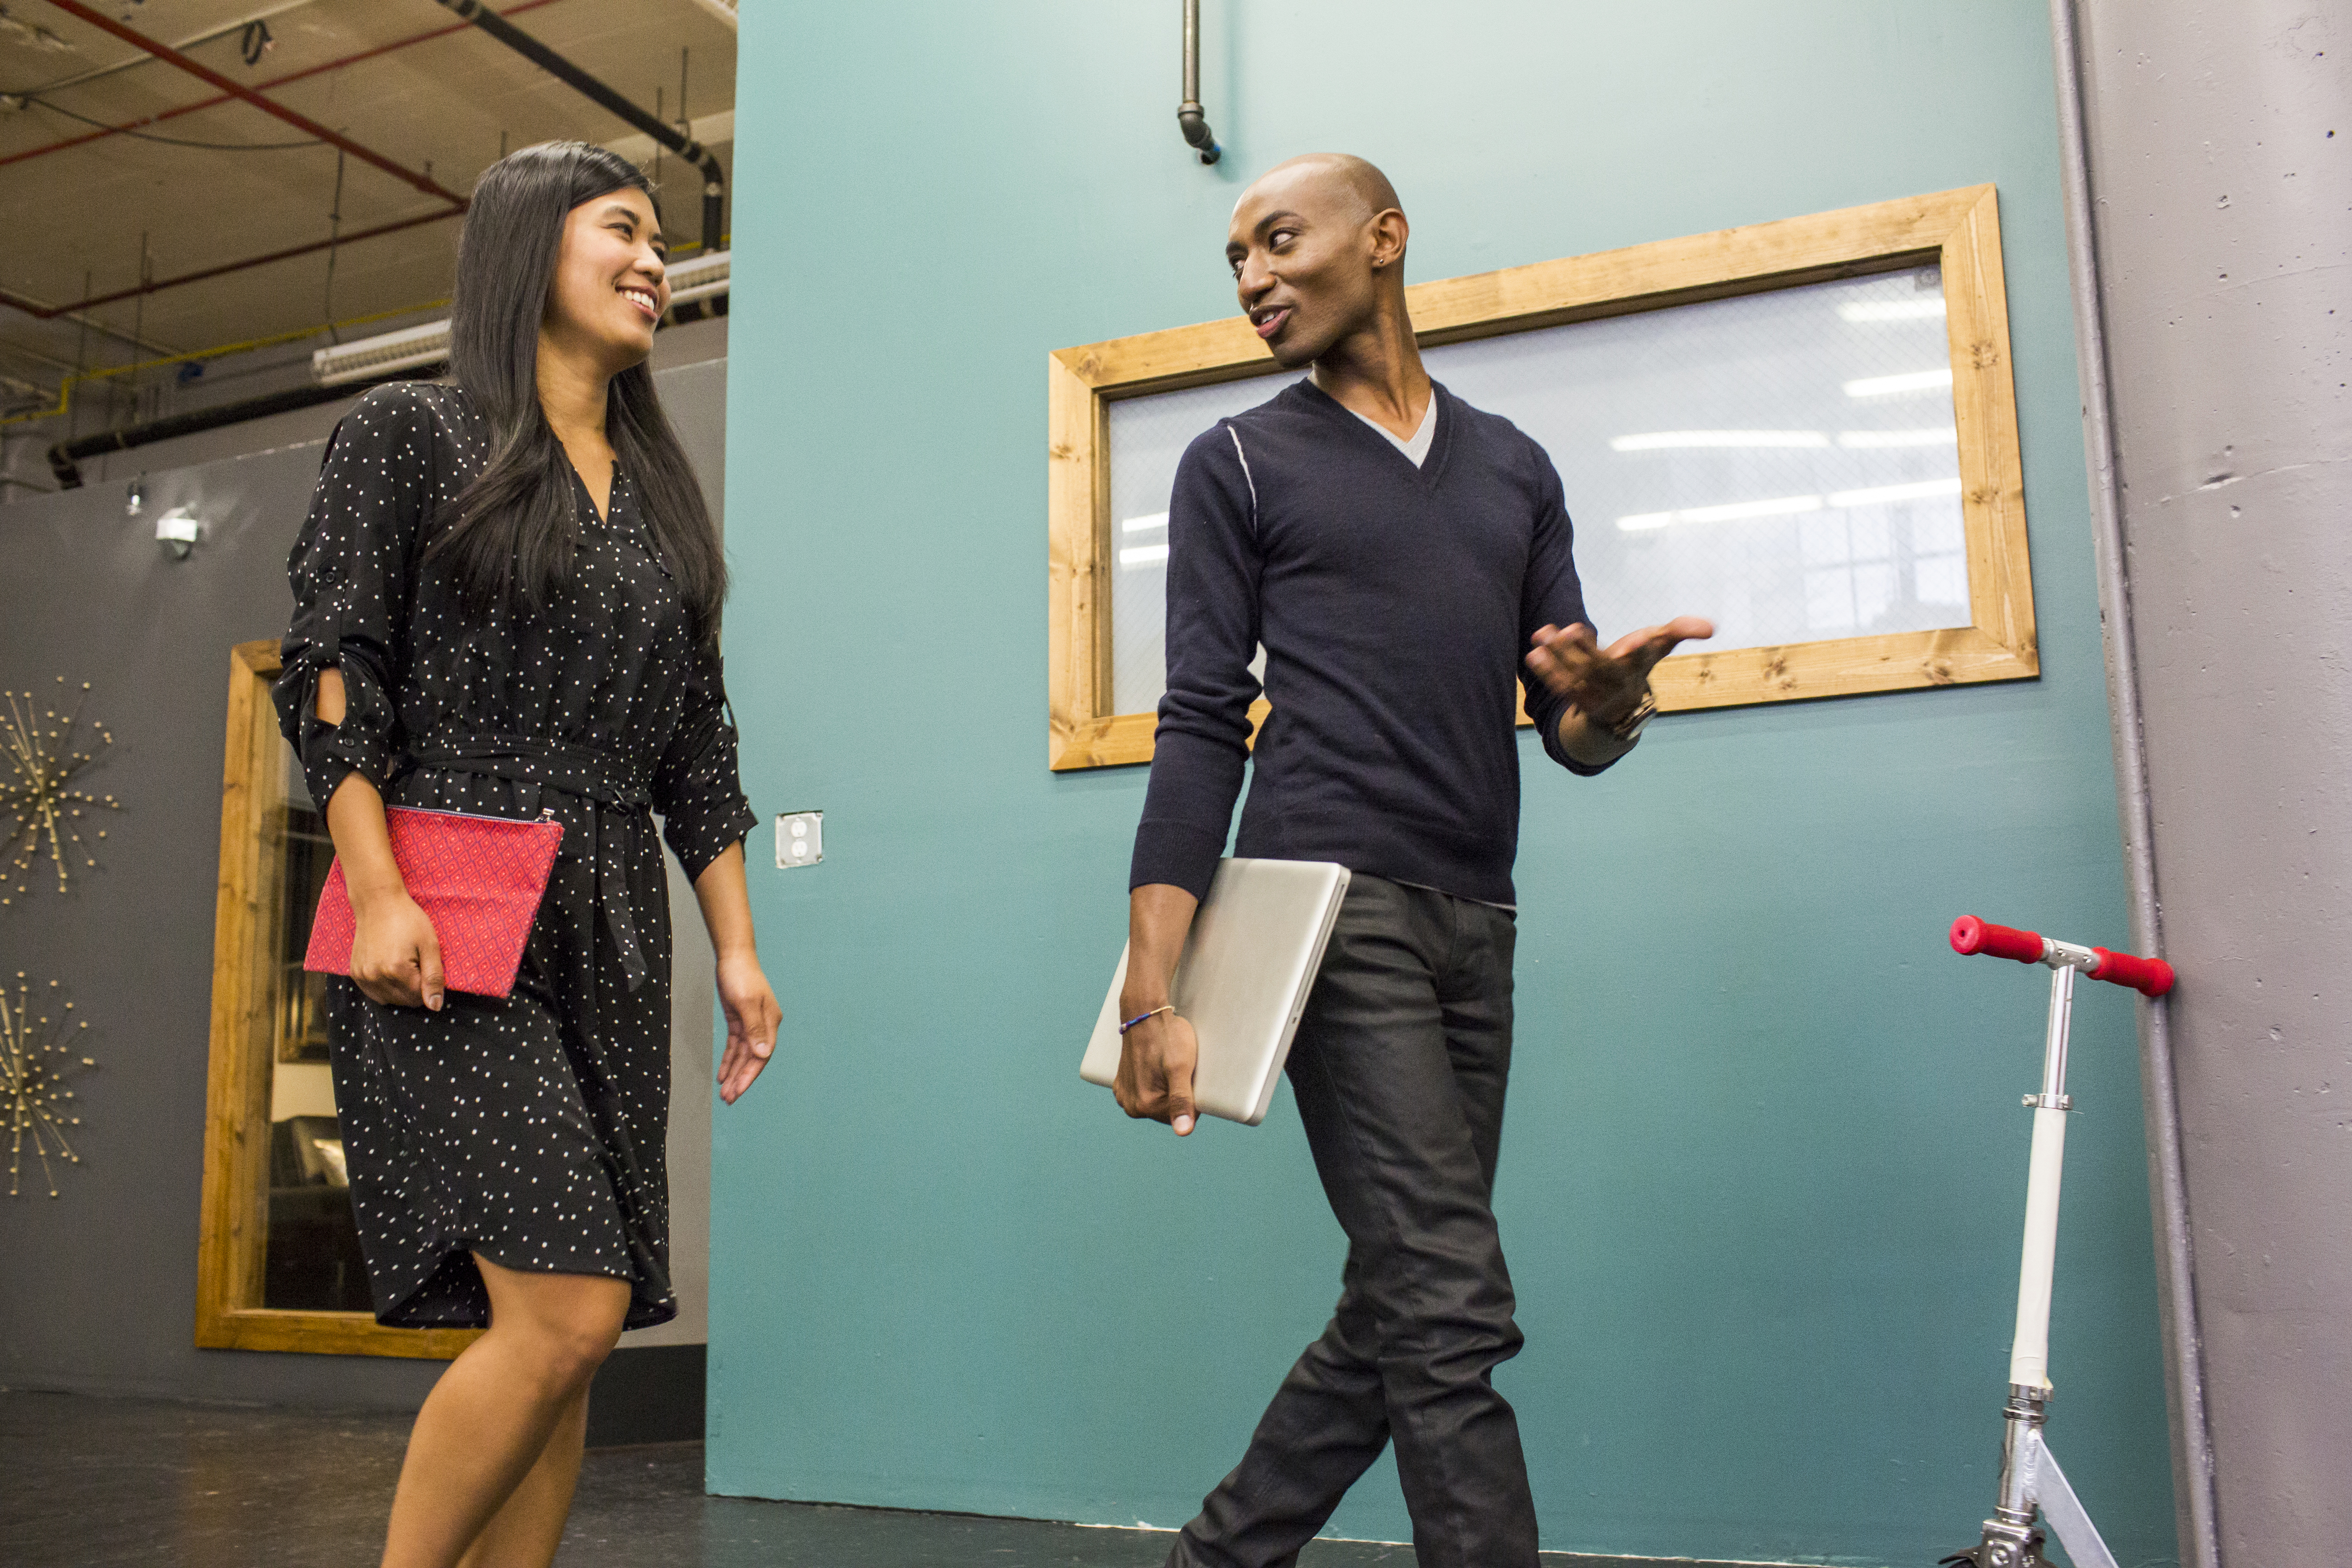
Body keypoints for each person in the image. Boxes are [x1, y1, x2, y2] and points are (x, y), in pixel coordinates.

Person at [1113, 154, 1713, 1568]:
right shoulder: (1240, 462)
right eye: (1233, 261)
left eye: (1277, 241)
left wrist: (1608, 706)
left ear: (1381, 238)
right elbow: (1201, 721)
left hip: (1477, 919)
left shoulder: (1512, 467)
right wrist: (1152, 990)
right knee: (1449, 1308)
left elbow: (1564, 724)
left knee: (1400, 1305)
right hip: (1333, 914)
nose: (1252, 277)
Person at [273, 141, 778, 1568]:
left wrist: (737, 948)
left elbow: (700, 750)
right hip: (442, 897)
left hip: (613, 910)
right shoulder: (413, 436)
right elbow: (333, 670)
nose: (653, 260)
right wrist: (372, 889)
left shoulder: (662, 498)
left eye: (663, 241)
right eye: (621, 230)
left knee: (569, 1335)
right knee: (565, 1314)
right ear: (527, 247)